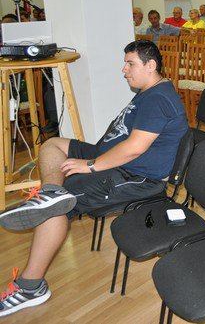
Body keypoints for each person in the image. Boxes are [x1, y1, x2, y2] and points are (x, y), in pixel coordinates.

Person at [0, 40, 188, 317]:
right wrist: (95, 160)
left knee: (57, 209)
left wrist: (91, 165)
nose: (124, 70)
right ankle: (51, 192)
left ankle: (30, 286)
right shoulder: (149, 91)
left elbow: (135, 148)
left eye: (130, 64)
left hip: (136, 176)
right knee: (52, 145)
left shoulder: (159, 98)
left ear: (151, 65)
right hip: (112, 159)